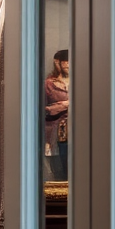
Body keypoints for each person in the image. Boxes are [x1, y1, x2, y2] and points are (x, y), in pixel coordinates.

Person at [44, 48, 70, 180]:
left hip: (80, 131)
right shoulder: (49, 84)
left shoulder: (80, 82)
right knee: (59, 172)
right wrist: (65, 105)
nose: (69, 65)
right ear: (57, 62)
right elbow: (42, 109)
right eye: (66, 61)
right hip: (58, 132)